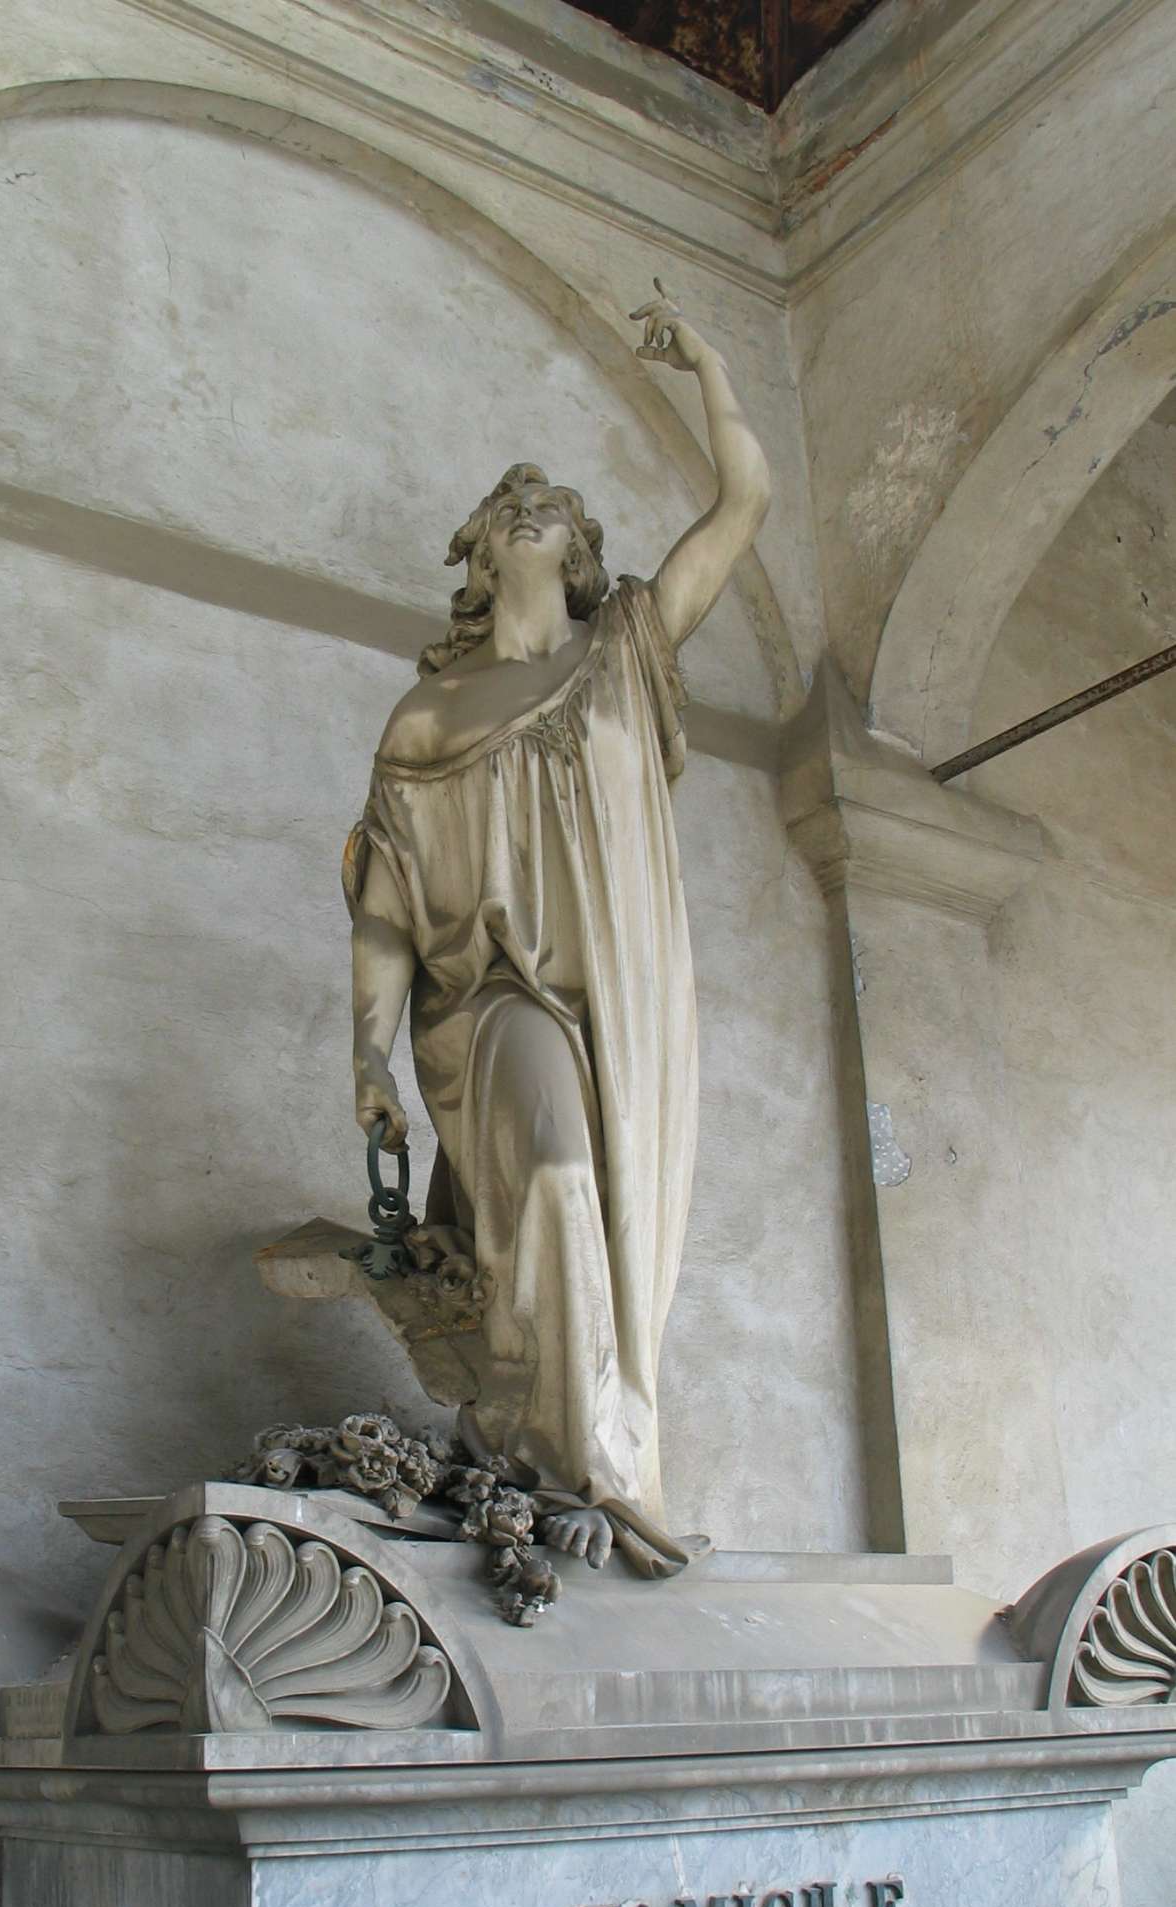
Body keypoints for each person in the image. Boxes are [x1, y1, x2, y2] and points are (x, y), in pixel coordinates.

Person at [343, 284, 771, 1575]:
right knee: (556, 1173)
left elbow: (744, 505)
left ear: (580, 549)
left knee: (611, 1227)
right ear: (480, 554)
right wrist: (370, 1057)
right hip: (491, 1005)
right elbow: (387, 913)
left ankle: (559, 1447)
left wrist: (709, 365)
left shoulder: (627, 647)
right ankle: (588, 1468)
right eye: (508, 503)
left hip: (623, 1010)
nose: (530, 502)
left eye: (554, 503)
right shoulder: (426, 722)